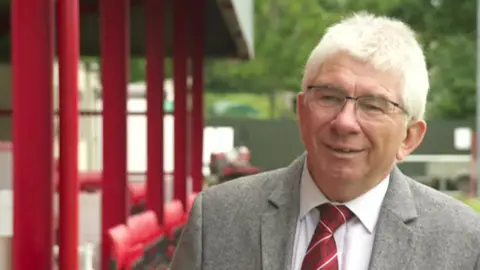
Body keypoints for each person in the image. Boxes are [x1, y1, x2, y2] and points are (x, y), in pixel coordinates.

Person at [170, 12, 480, 270]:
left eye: (373, 105)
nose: (345, 122)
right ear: (302, 111)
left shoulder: (464, 241)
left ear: (409, 138)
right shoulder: (216, 219)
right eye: (329, 97)